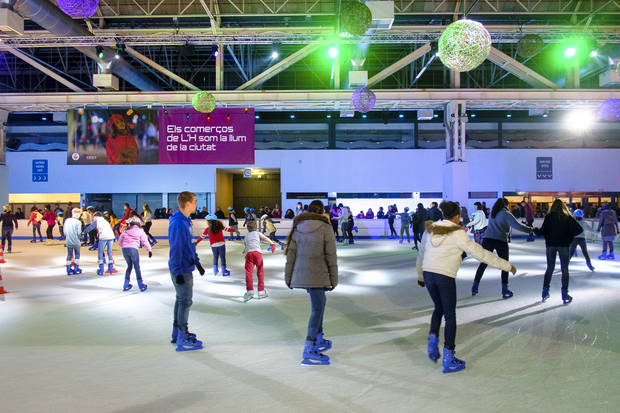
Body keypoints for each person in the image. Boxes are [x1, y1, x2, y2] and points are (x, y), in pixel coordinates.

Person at [416, 201, 516, 374]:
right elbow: (482, 254)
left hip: (429, 274)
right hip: (444, 275)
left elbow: (422, 253)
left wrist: (420, 275)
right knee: (450, 316)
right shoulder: (457, 233)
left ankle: (433, 339)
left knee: (438, 308)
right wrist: (507, 265)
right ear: (456, 216)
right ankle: (449, 358)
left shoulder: (431, 229)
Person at [285, 200, 338, 366]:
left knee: (320, 305)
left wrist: (288, 277)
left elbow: (291, 254)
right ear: (322, 211)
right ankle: (309, 348)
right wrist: (334, 278)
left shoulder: (298, 226)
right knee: (317, 308)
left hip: (303, 274)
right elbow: (331, 255)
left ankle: (319, 338)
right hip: (317, 274)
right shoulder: (325, 227)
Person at [472, 198, 532, 299]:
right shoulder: (506, 214)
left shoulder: (492, 213)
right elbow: (518, 226)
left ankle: (475, 286)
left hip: (488, 239)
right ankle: (505, 290)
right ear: (506, 205)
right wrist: (530, 230)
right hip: (500, 240)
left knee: (483, 263)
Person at [168, 191, 205, 351]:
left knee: (181, 299)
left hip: (184, 266)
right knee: (185, 301)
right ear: (188, 203)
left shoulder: (185, 221)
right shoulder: (178, 223)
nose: (196, 204)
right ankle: (182, 336)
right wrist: (178, 272)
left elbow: (188, 245)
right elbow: (176, 248)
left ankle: (177, 333)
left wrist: (197, 263)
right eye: (195, 201)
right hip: (180, 268)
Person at [535, 199, 583, 304]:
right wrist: (569, 238)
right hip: (563, 246)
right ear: (563, 206)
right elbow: (579, 230)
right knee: (565, 269)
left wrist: (535, 230)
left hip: (551, 245)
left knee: (550, 268)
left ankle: (545, 291)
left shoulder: (549, 217)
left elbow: (542, 231)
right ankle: (564, 293)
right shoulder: (567, 217)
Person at [242, 220, 275, 302]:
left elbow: (247, 245)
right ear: (256, 227)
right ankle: (261, 291)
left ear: (247, 228)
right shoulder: (257, 233)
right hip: (257, 253)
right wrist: (272, 244)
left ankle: (249, 291)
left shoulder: (246, 236)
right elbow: (265, 238)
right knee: (260, 272)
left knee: (248, 272)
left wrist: (244, 250)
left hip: (249, 254)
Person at [118, 217, 153, 292]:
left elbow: (120, 240)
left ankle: (126, 284)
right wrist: (149, 250)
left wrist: (123, 246)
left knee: (129, 266)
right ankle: (141, 285)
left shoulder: (125, 231)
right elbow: (145, 241)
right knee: (137, 267)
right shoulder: (140, 231)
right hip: (133, 249)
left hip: (124, 250)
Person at [64, 208, 84, 275]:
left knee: (69, 255)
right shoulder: (78, 222)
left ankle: (68, 269)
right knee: (77, 254)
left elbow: (64, 231)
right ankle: (76, 268)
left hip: (68, 240)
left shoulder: (67, 220)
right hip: (76, 241)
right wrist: (80, 237)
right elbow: (79, 233)